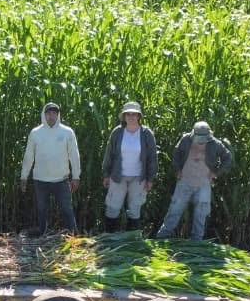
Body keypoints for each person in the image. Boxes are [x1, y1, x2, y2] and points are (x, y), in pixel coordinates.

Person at [154, 121, 234, 241]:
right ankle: (161, 237)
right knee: (174, 210)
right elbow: (176, 154)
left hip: (204, 184)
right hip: (184, 182)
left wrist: (216, 173)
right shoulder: (185, 140)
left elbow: (227, 158)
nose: (201, 141)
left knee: (201, 215)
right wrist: (177, 170)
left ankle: (196, 242)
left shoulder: (215, 144)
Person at [19, 102, 81, 236]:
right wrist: (24, 177)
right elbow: (28, 156)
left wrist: (76, 176)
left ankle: (74, 236)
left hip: (62, 179)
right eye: (48, 113)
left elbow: (74, 155)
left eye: (54, 113)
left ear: (58, 115)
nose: (51, 116)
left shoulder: (67, 132)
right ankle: (42, 233)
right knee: (41, 209)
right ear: (44, 114)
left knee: (66, 209)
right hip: (40, 180)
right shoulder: (35, 133)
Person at [100, 101, 159, 232]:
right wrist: (106, 175)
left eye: (134, 114)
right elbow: (109, 154)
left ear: (139, 116)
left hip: (138, 178)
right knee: (112, 207)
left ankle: (131, 240)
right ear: (124, 116)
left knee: (134, 209)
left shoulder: (146, 134)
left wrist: (150, 179)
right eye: (128, 114)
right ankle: (110, 237)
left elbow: (152, 158)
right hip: (118, 176)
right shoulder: (118, 132)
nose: (131, 117)